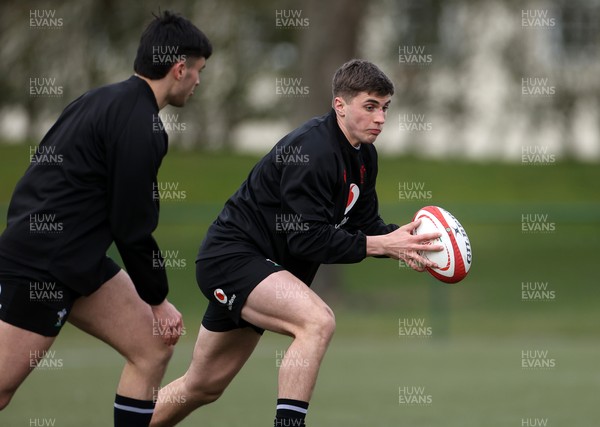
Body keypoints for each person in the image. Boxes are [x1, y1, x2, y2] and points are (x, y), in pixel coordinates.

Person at [150, 59, 443, 427]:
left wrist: (409, 243)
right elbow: (306, 238)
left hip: (262, 271)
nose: (380, 118)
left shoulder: (364, 155)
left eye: (384, 108)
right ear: (340, 105)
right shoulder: (312, 151)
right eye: (370, 106)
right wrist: (384, 246)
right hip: (233, 259)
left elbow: (366, 225)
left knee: (202, 385)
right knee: (317, 322)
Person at [0, 11, 212, 427]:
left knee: (151, 347)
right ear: (179, 68)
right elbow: (131, 226)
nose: (199, 82)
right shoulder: (141, 126)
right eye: (199, 71)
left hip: (73, 257)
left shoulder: (98, 99)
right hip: (41, 265)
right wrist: (158, 300)